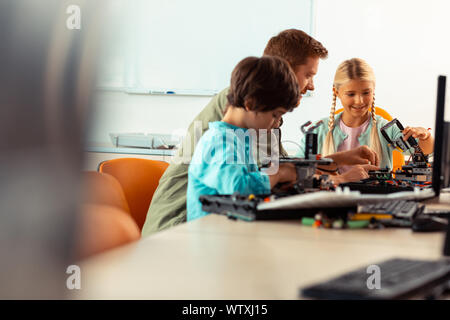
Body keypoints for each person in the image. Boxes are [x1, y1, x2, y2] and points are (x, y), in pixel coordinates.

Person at [141, 31, 375, 237]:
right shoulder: (241, 108)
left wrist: (338, 159)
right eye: (308, 75)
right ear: (281, 68)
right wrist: (340, 179)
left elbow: (281, 168)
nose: (312, 85)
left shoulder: (257, 108)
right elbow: (266, 178)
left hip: (222, 225)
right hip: (179, 228)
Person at [187, 56, 300, 221]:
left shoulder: (239, 139)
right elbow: (238, 187)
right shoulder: (218, 141)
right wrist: (279, 174)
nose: (276, 124)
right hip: (212, 239)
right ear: (251, 103)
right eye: (275, 115)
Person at [296, 58, 434, 172]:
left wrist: (425, 137)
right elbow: (296, 169)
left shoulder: (385, 128)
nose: (359, 101)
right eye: (351, 94)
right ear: (336, 92)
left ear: (373, 91)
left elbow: (424, 152)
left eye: (366, 93)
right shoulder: (317, 130)